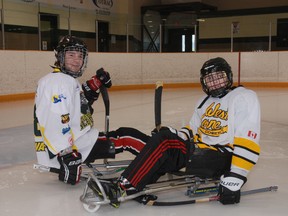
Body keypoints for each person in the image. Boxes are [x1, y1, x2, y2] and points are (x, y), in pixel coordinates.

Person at [91, 57, 261, 207]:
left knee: (164, 141)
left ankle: (123, 187)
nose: (215, 82)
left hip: (221, 157)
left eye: (219, 76)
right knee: (155, 137)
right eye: (210, 78)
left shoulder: (243, 97)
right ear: (203, 82)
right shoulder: (203, 102)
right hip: (198, 152)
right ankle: (135, 183)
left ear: (228, 76)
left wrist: (236, 177)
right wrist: (172, 132)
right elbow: (191, 131)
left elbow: (248, 140)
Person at [33, 35, 151, 188]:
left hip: (78, 140)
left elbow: (78, 108)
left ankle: (160, 149)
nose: (76, 60)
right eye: (71, 55)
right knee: (127, 138)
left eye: (80, 56)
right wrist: (68, 154)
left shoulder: (63, 79)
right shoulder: (58, 83)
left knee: (125, 134)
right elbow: (55, 122)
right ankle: (162, 154)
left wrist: (92, 86)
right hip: (74, 146)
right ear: (60, 56)